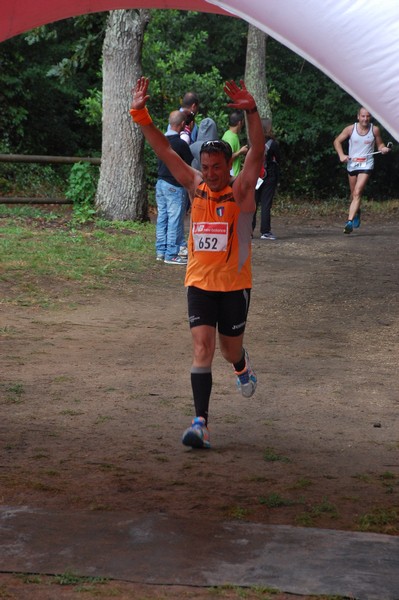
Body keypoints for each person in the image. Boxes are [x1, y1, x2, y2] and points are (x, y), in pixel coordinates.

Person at [130, 77, 264, 449]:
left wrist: (251, 110)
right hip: (199, 283)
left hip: (235, 286)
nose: (210, 172)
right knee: (202, 350)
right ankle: (200, 423)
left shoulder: (240, 191)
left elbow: (257, 152)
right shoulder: (194, 185)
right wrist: (141, 114)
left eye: (216, 166)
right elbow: (164, 151)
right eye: (205, 165)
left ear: (227, 164)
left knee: (228, 350)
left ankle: (241, 366)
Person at [333, 107, 391, 234]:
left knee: (358, 192)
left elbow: (380, 144)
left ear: (370, 117)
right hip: (352, 164)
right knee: (353, 194)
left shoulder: (374, 130)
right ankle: (357, 211)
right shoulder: (350, 129)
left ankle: (349, 222)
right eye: (363, 116)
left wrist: (383, 148)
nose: (365, 119)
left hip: (366, 164)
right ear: (358, 117)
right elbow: (337, 141)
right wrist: (341, 155)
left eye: (368, 116)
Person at [155, 110, 193, 265]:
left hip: (160, 183)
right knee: (174, 220)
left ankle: (160, 251)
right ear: (183, 124)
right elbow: (189, 164)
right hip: (174, 185)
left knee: (162, 218)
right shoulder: (181, 144)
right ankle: (171, 253)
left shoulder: (160, 140)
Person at [252, 118, 281, 240]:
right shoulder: (272, 144)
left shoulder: (253, 141)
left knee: (253, 204)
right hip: (269, 175)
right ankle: (265, 231)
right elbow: (279, 159)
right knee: (266, 204)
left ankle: (248, 231)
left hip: (255, 175)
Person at [222, 110, 248, 176]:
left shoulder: (230, 134)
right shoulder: (230, 138)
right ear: (239, 123)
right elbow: (227, 158)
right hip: (232, 175)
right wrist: (240, 152)